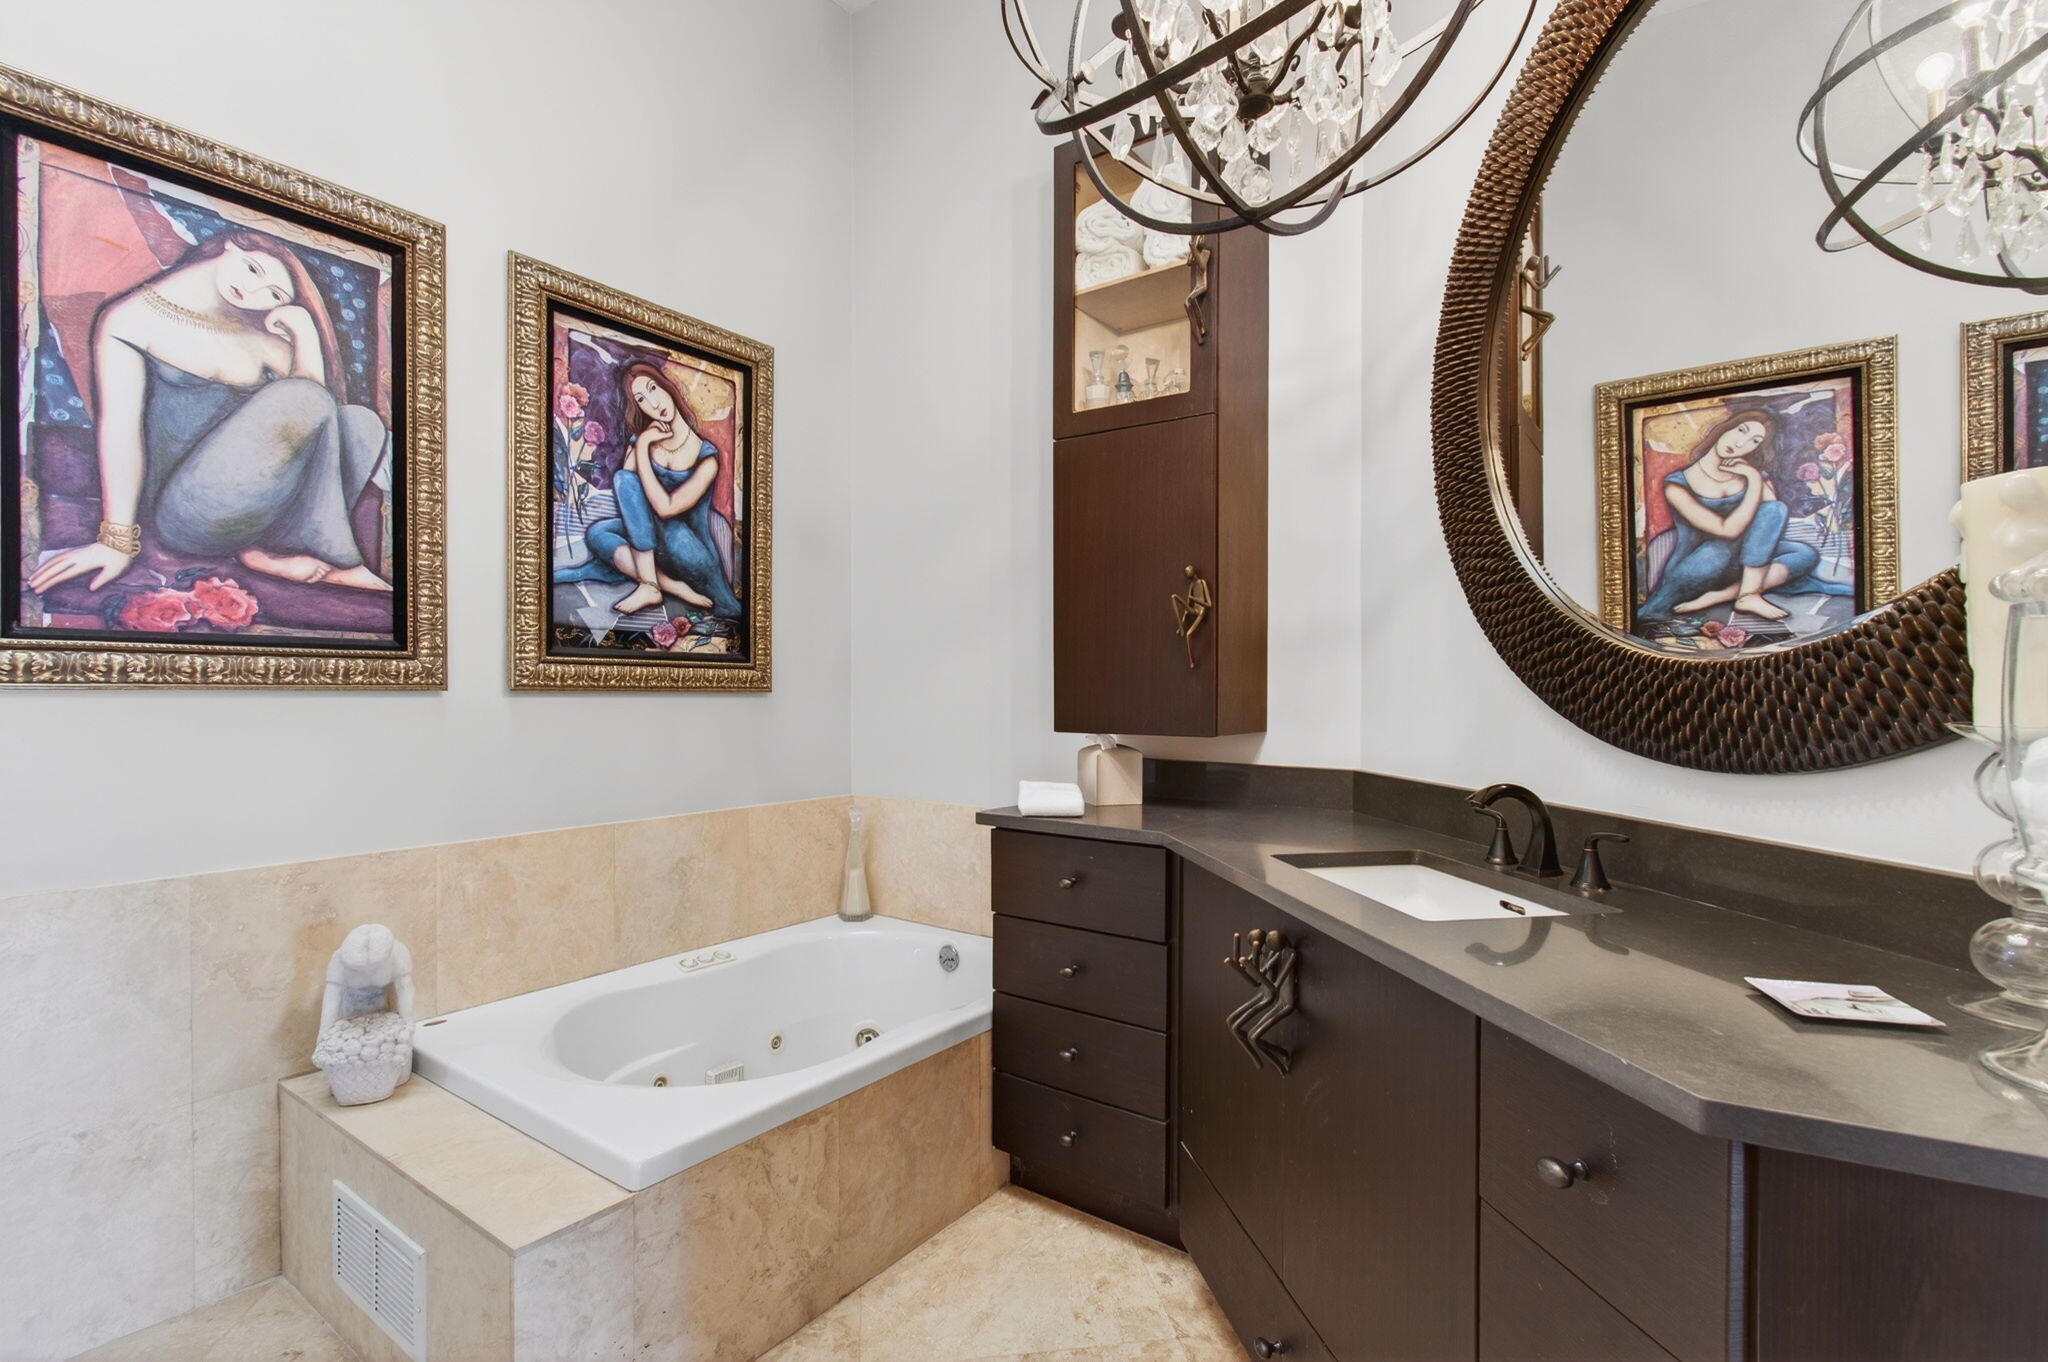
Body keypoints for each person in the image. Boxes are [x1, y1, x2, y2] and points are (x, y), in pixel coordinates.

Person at [25, 230, 390, 600]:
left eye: (274, 295)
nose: (255, 292)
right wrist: (116, 542)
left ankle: (263, 552)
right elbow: (120, 430)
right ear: (231, 245)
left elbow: (317, 421)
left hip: (254, 514)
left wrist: (303, 329)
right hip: (186, 512)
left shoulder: (258, 336)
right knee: (303, 398)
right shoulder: (127, 318)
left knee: (361, 425)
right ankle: (342, 561)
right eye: (253, 269)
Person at [555, 362, 743, 628]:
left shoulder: (706, 456)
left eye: (654, 389)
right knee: (598, 533)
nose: (653, 403)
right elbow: (628, 493)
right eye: (642, 399)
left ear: (668, 389)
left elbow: (666, 509)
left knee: (627, 483)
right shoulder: (646, 438)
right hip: (655, 544)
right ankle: (666, 586)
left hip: (688, 549)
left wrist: (642, 447)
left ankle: (650, 583)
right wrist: (643, 442)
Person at [1635, 410, 1851, 624]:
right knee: (1719, 551)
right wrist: (1754, 480)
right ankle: (1747, 593)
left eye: (1753, 441)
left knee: (1804, 553)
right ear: (1724, 429)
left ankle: (1733, 595)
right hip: (1700, 564)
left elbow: (1771, 518)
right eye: (1741, 431)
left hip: (1740, 563)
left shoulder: (1750, 472)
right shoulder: (1677, 483)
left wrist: (1752, 476)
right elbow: (1727, 530)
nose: (1740, 444)